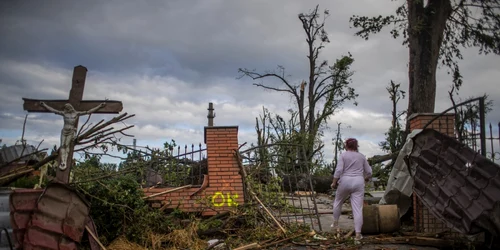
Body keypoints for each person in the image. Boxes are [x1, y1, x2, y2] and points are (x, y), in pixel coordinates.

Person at [331, 138, 372, 241]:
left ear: (346, 145)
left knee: (338, 201)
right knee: (357, 209)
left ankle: (335, 224)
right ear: (356, 146)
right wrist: (365, 178)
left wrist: (334, 182)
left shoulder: (343, 155)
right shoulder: (361, 157)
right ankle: (358, 234)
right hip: (358, 182)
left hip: (345, 181)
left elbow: (339, 170)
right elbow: (369, 172)